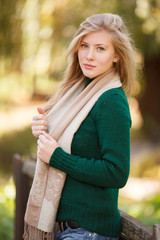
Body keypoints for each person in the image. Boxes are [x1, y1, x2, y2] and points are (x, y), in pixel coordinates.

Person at [30, 13, 136, 240]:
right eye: (84, 45)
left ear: (116, 55)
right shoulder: (79, 92)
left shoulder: (111, 100)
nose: (89, 56)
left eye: (100, 49)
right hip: (68, 229)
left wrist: (57, 157)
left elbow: (117, 173)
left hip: (88, 232)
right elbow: (74, 141)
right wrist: (43, 128)